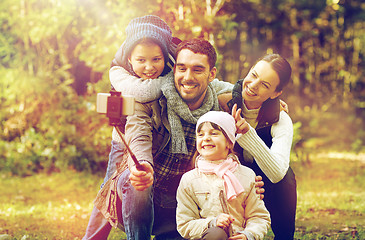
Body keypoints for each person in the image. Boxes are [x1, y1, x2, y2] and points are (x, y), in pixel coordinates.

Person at [88, 38, 235, 240]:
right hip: (141, 199)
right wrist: (143, 165)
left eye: (197, 70)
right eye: (181, 69)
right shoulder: (150, 101)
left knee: (214, 234)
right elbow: (138, 134)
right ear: (174, 69)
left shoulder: (220, 112)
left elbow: (236, 150)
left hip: (181, 207)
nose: (187, 77)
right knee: (137, 179)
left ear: (211, 74)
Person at [219, 54, 297, 240]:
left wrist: (247, 134)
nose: (253, 85)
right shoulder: (223, 102)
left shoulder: (281, 118)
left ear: (276, 94)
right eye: (253, 75)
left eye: (265, 85)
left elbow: (278, 172)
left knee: (286, 178)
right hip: (230, 173)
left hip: (268, 181)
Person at [176, 111, 271, 240]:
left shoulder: (247, 176)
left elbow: (258, 216)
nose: (206, 138)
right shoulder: (190, 180)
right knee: (217, 234)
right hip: (208, 236)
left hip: (238, 236)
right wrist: (212, 223)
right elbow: (185, 223)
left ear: (229, 142)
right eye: (201, 134)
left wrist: (248, 235)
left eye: (214, 133)